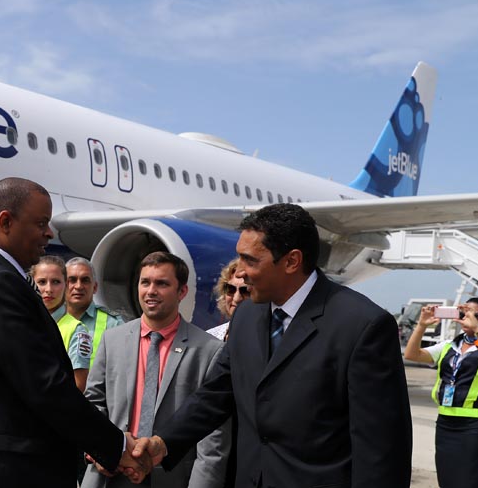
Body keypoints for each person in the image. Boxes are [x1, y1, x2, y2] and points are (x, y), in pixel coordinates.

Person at [132, 203, 413, 488]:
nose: (239, 273)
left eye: (250, 260)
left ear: (291, 261)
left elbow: (382, 450)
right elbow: (217, 393)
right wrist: (163, 442)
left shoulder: (363, 326)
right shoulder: (247, 315)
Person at [0, 177, 149, 487]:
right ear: (6, 222)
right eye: (41, 223)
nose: (49, 232)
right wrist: (119, 447)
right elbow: (46, 387)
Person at [82, 251, 230, 488]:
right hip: (110, 474)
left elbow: (213, 439)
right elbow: (93, 404)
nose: (151, 291)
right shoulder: (112, 340)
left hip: (173, 478)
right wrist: (100, 450)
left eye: (162, 283)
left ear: (182, 292)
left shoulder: (209, 350)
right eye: (145, 282)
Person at [404, 299, 478, 488]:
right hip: (445, 423)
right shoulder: (449, 345)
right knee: (447, 481)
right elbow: (412, 355)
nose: (466, 317)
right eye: (463, 313)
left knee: (470, 482)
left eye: (473, 314)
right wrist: (421, 325)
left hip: (476, 425)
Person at [30, 255, 92, 391]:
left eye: (56, 282)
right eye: (41, 282)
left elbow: (78, 386)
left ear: (66, 285)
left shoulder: (76, 330)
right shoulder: (23, 324)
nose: (49, 289)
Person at [54, 257, 124, 367]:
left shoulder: (113, 324)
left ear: (95, 287)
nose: (78, 286)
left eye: (85, 280)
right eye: (72, 280)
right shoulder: (50, 319)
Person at [206, 259, 249, 341]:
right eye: (230, 289)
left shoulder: (272, 342)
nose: (236, 298)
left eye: (245, 291)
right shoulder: (208, 338)